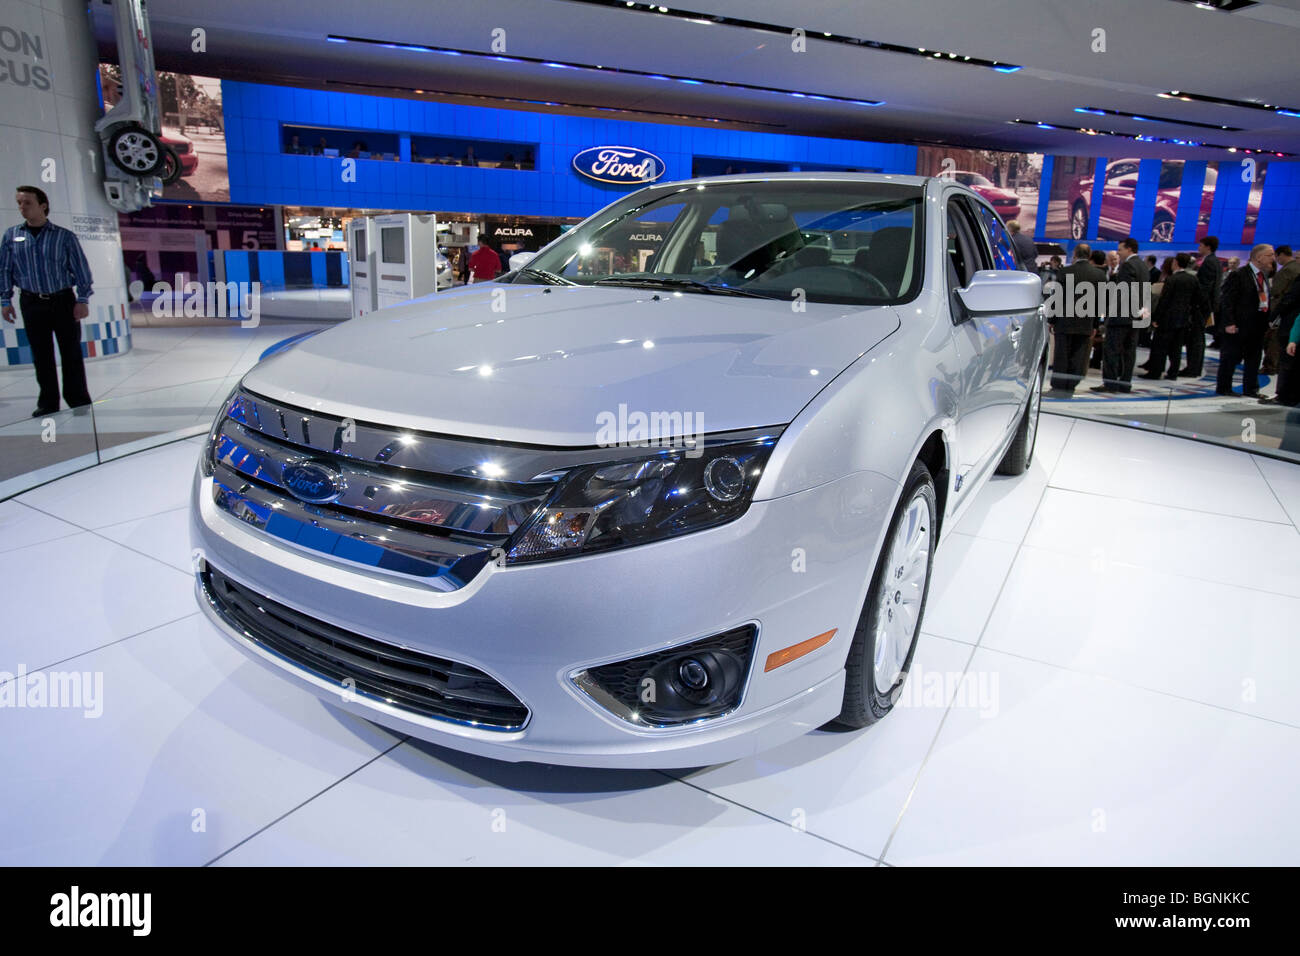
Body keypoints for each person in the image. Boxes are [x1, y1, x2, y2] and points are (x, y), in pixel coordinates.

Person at [0, 185, 95, 416]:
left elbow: (81, 269)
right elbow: (4, 270)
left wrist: (82, 299)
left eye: (27, 203)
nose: (22, 207)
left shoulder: (64, 237)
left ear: (43, 205)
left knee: (70, 352)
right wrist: (5, 300)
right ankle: (48, 403)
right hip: (31, 303)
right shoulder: (12, 236)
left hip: (62, 301)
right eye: (19, 203)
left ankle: (78, 400)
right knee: (41, 354)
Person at [1216, 243, 1276, 397]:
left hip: (1257, 326)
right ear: (1258, 257)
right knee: (1230, 357)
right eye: (1270, 255)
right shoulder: (1239, 275)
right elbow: (1227, 301)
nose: (1273, 258)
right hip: (1238, 325)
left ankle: (1251, 389)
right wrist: (1229, 322)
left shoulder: (1263, 276)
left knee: (1254, 358)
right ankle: (1224, 387)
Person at [1048, 243, 1105, 396]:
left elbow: (1057, 297)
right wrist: (1095, 325)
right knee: (1077, 357)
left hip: (1065, 321)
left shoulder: (1066, 272)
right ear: (1089, 255)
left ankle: (1058, 388)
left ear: (1075, 254)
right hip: (1085, 323)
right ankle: (1070, 387)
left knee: (1062, 356)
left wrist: (1051, 319)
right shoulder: (1099, 275)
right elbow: (1100, 303)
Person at [1093, 237, 1147, 393]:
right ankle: (1124, 383)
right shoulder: (1142, 265)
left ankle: (1110, 383)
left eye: (1121, 249)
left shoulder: (1128, 265)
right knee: (1129, 352)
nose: (1119, 253)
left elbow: (1123, 292)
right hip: (1135, 317)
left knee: (1112, 351)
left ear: (1129, 249)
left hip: (1121, 317)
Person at [1144, 252, 1206, 380]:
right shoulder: (1193, 279)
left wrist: (1156, 318)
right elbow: (1199, 299)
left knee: (1159, 346)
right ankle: (1173, 373)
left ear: (1176, 263)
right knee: (1176, 348)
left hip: (1167, 319)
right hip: (1183, 319)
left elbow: (1164, 301)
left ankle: (1155, 372)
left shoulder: (1172, 279)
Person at [1186, 236, 1221, 377]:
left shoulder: (1209, 263)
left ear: (1208, 246)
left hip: (1202, 307)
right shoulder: (1215, 262)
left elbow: (1204, 288)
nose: (1198, 247)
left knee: (1196, 338)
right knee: (1198, 337)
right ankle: (1194, 367)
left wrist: (1195, 304)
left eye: (1200, 245)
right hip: (1207, 306)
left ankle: (1193, 368)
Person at [1264, 244, 1299, 375]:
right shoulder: (1297, 268)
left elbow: (1276, 291)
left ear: (1281, 255)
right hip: (1293, 312)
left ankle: (1270, 366)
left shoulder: (1286, 270)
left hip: (1282, 310)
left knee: (1273, 339)